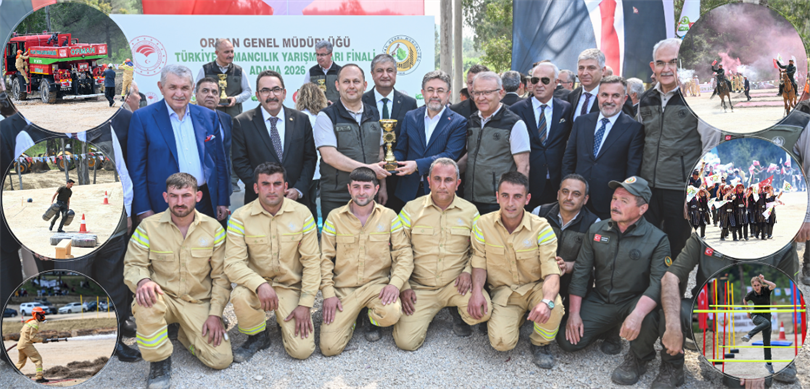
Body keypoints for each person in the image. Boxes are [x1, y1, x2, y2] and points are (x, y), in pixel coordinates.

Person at [557, 176, 672, 386]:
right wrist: (574, 313)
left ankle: (638, 359)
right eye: (614, 198)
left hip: (634, 301)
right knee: (567, 342)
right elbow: (581, 271)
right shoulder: (597, 230)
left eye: (624, 201)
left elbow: (658, 284)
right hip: (601, 299)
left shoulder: (658, 239)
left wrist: (637, 314)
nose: (615, 205)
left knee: (649, 316)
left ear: (642, 208)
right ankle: (610, 327)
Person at [124, 173, 232, 388]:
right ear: (165, 197)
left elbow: (221, 277)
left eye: (186, 195)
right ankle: (159, 361)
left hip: (197, 302)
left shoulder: (214, 229)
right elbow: (133, 265)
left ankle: (184, 333)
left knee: (220, 360)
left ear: (198, 196)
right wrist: (143, 280)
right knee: (146, 301)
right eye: (174, 196)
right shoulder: (148, 227)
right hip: (163, 299)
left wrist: (215, 314)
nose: (180, 202)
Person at [660, 235, 799, 387]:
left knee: (746, 383)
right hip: (707, 314)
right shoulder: (704, 235)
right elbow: (670, 278)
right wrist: (673, 325)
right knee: (673, 310)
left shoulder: (782, 247)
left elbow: (786, 306)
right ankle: (671, 368)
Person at [225, 162, 320, 362]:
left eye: (277, 184)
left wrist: (305, 304)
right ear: (256, 188)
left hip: (290, 286)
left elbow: (312, 262)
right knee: (240, 295)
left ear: (286, 187)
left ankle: (282, 318)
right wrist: (259, 284)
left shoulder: (302, 214)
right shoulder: (240, 217)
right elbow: (233, 264)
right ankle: (258, 336)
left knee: (302, 351)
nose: (271, 189)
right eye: (265, 184)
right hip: (257, 288)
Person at [468, 171, 563, 369]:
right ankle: (516, 319)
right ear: (497, 197)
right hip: (504, 293)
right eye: (505, 196)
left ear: (527, 199)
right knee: (501, 343)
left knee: (555, 307)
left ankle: (540, 342)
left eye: (517, 196)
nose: (511, 203)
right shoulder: (482, 224)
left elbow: (551, 271)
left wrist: (547, 301)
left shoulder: (542, 227)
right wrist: (477, 291)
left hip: (535, 288)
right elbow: (479, 262)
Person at [393, 158, 490, 350]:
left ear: (457, 183)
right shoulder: (410, 210)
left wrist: (468, 271)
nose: (442, 185)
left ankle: (454, 307)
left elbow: (480, 250)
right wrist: (404, 286)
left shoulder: (471, 212)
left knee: (482, 312)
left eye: (448, 180)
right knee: (406, 343)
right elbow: (397, 250)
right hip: (420, 287)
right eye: (437, 179)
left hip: (455, 285)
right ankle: (428, 312)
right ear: (428, 182)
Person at [637, 38, 719, 260]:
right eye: (660, 63)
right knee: (645, 249)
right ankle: (646, 294)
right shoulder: (646, 99)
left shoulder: (698, 99)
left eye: (673, 62)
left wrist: (695, 192)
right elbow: (638, 142)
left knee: (675, 252)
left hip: (680, 189)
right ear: (653, 67)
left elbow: (711, 149)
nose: (666, 69)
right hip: (648, 190)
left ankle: (672, 295)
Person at [319, 167, 413, 356]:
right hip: (344, 288)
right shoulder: (334, 217)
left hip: (376, 287)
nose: (361, 192)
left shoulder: (389, 216)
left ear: (376, 190)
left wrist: (396, 285)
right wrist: (328, 294)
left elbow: (403, 254)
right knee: (329, 348)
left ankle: (371, 317)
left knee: (392, 313)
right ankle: (352, 317)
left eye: (367, 187)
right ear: (349, 189)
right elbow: (325, 259)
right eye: (356, 187)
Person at [128, 64, 230, 222]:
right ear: (161, 88)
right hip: (162, 205)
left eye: (185, 88)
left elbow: (220, 162)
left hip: (204, 203)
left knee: (204, 247)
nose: (179, 93)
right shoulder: (143, 118)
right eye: (173, 87)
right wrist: (143, 208)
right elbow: (136, 169)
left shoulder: (209, 117)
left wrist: (223, 200)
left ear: (192, 88)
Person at [562, 76, 644, 219]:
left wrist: (623, 200)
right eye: (605, 95)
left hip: (609, 202)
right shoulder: (581, 122)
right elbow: (569, 158)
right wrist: (566, 189)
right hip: (577, 199)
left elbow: (632, 169)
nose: (609, 100)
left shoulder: (634, 129)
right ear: (598, 97)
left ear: (624, 99)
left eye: (615, 96)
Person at [231, 70, 316, 206]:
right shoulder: (242, 122)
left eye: (276, 89)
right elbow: (240, 162)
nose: (272, 95)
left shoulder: (301, 120)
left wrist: (298, 189)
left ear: (284, 93)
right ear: (258, 96)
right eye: (265, 91)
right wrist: (264, 188)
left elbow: (310, 158)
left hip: (296, 201)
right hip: (258, 202)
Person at [313, 64, 387, 220]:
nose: (351, 86)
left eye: (356, 81)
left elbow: (380, 153)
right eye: (346, 82)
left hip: (369, 193)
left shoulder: (374, 113)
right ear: (337, 86)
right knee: (337, 242)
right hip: (337, 195)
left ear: (365, 85)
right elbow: (329, 157)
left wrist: (382, 187)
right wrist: (368, 169)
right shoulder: (326, 116)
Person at [458, 71, 531, 215]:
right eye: (477, 93)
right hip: (470, 199)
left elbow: (524, 166)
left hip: (497, 202)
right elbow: (471, 155)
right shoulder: (472, 121)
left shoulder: (514, 123)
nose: (481, 97)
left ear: (501, 92)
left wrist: (515, 200)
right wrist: (450, 171)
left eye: (487, 92)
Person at [393, 70, 466, 204]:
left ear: (448, 94)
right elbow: (401, 149)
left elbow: (449, 156)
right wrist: (390, 162)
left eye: (440, 90)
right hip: (407, 192)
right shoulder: (411, 116)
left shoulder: (458, 122)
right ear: (423, 93)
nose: (435, 95)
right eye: (430, 90)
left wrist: (416, 165)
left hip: (440, 193)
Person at [531, 174, 600, 313]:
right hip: (539, 275)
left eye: (576, 194)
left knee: (563, 325)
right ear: (558, 194)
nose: (569, 198)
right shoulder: (539, 213)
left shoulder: (594, 224)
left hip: (573, 281)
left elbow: (596, 263)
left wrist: (570, 265)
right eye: (565, 192)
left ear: (585, 199)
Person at [509, 61, 573, 209]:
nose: (539, 84)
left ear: (556, 83)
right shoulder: (516, 110)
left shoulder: (566, 109)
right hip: (529, 182)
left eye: (545, 80)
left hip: (557, 183)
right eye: (534, 80)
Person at [361, 53, 418, 213]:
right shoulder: (361, 102)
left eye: (390, 70)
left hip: (401, 175)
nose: (385, 75)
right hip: (369, 173)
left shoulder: (409, 103)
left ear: (395, 73)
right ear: (372, 75)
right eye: (380, 71)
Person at [566, 49, 634, 123]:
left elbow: (627, 128)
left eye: (591, 68)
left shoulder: (618, 97)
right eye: (581, 68)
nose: (584, 73)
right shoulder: (572, 96)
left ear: (603, 70)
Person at [195, 77, 234, 200]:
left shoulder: (226, 118)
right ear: (196, 95)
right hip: (197, 186)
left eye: (214, 92)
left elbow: (226, 154)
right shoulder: (188, 118)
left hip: (220, 185)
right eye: (205, 91)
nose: (210, 95)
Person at [295, 83, 329, 222]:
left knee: (303, 203)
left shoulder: (298, 117)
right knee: (312, 202)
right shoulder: (322, 117)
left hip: (302, 167)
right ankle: (314, 232)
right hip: (318, 167)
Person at [196, 38, 251, 119]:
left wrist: (235, 99)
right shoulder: (205, 69)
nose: (230, 55)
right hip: (209, 117)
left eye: (232, 51)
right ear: (217, 53)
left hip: (234, 119)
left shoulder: (239, 71)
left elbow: (248, 91)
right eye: (226, 52)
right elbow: (196, 91)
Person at [740, 274, 777, 374]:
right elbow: (745, 300)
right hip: (756, 316)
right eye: (755, 285)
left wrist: (764, 280)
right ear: (752, 286)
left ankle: (768, 364)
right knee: (766, 323)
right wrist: (747, 312)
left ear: (761, 285)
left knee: (767, 342)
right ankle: (749, 335)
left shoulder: (766, 291)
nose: (756, 287)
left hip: (767, 316)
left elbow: (773, 285)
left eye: (758, 285)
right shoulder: (751, 294)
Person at [15, 307, 49, 383]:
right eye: (41, 315)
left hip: (21, 345)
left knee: (21, 362)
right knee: (38, 359)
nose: (43, 316)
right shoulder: (35, 324)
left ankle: (11, 374)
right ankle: (39, 377)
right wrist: (42, 340)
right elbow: (32, 337)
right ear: (36, 315)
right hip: (26, 345)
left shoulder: (30, 322)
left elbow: (24, 334)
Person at [304, 40, 342, 104]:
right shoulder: (311, 72)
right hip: (316, 112)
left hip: (337, 111)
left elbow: (346, 94)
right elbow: (305, 94)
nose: (319, 58)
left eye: (322, 55)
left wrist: (336, 104)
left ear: (330, 55)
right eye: (317, 54)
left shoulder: (340, 71)